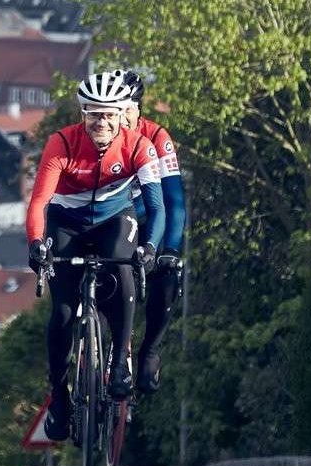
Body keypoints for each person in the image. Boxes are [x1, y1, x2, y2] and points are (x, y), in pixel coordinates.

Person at [25, 71, 165, 441]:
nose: (100, 122)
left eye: (108, 115)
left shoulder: (139, 147)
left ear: (122, 116)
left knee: (124, 274)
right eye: (93, 114)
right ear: (82, 114)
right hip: (66, 221)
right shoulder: (62, 143)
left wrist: (150, 248)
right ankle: (59, 395)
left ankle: (120, 365)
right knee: (64, 312)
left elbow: (157, 205)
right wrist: (37, 242)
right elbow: (40, 201)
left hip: (114, 219)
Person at [118, 70, 187, 395]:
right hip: (114, 223)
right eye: (116, 110)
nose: (121, 118)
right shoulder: (100, 135)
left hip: (151, 220)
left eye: (128, 110)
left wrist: (170, 249)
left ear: (139, 110)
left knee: (167, 278)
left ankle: (150, 350)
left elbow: (174, 202)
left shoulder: (157, 138)